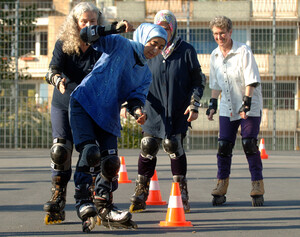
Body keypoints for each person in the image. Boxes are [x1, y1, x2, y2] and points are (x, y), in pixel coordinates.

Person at [69, 23, 167, 232]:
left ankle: (104, 206)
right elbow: (87, 36)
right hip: (85, 102)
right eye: (153, 43)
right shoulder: (121, 44)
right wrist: (113, 28)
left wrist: (138, 111)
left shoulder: (145, 74)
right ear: (143, 37)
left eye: (160, 47)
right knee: (90, 152)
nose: (155, 50)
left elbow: (135, 98)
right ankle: (83, 200)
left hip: (108, 114)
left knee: (111, 162)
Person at [43, 2, 132, 225]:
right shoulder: (64, 43)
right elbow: (51, 70)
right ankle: (59, 196)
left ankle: (101, 200)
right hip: (65, 102)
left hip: (94, 105)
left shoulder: (105, 45)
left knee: (97, 154)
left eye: (93, 21)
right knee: (61, 150)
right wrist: (57, 80)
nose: (89, 25)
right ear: (76, 24)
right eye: (84, 21)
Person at [127, 10, 206, 214]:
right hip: (152, 109)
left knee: (173, 145)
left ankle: (181, 194)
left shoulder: (186, 50)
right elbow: (133, 78)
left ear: (173, 29)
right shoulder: (147, 50)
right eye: (159, 28)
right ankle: (141, 192)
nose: (163, 32)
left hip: (178, 109)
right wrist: (133, 105)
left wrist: (194, 103)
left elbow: (198, 80)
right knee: (148, 145)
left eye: (167, 28)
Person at [206, 16, 265, 207]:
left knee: (249, 144)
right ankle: (221, 185)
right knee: (223, 147)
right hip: (227, 107)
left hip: (249, 105)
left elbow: (251, 78)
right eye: (215, 33)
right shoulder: (214, 55)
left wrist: (246, 102)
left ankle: (257, 185)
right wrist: (213, 102)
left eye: (222, 33)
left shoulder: (243, 51)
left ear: (230, 32)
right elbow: (215, 84)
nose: (219, 37)